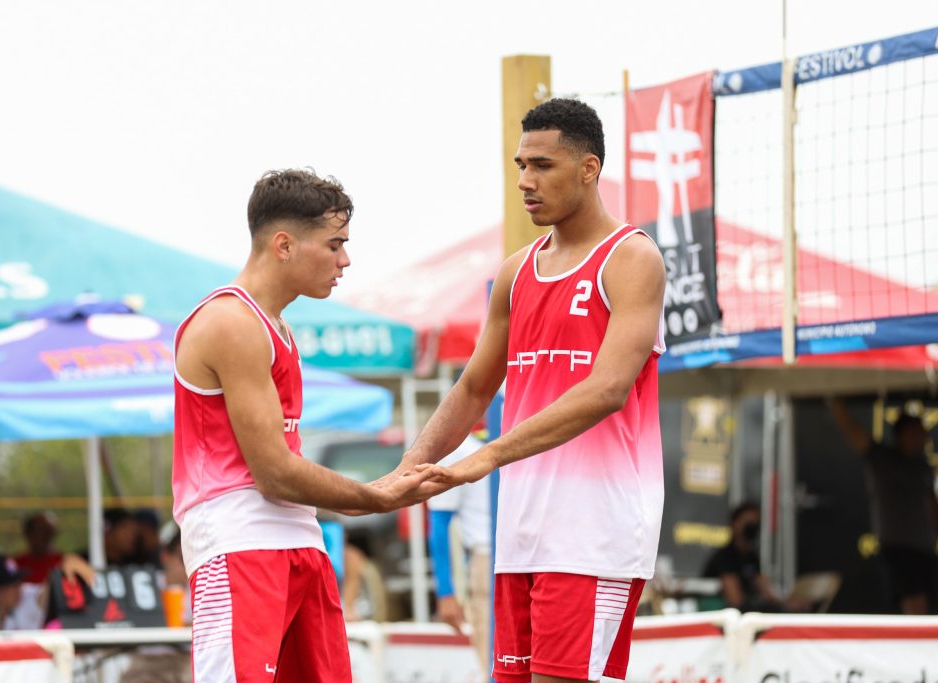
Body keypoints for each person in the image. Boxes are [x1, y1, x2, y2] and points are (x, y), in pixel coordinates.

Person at [388, 98, 667, 683]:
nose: (525, 181)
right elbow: (471, 390)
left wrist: (485, 457)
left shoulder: (631, 258)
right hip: (520, 535)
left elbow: (607, 390)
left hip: (595, 533)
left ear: (589, 169)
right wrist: (407, 471)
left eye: (541, 165)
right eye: (520, 165)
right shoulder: (517, 270)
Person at [172, 169, 438, 682]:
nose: (345, 259)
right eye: (334, 244)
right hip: (239, 544)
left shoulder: (276, 326)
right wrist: (374, 496)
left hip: (297, 537)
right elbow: (273, 472)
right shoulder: (231, 322)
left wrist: (372, 494)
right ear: (284, 245)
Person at [829, 398, 938, 614]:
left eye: (922, 432)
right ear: (902, 435)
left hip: (923, 546)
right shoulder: (883, 459)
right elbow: (855, 435)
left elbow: (931, 502)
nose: (922, 438)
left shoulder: (921, 466)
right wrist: (836, 402)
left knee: (925, 604)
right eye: (916, 432)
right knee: (913, 604)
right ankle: (913, 646)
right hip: (900, 547)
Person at [427, 433, 491, 672]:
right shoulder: (460, 449)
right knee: (496, 661)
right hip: (488, 558)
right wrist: (446, 592)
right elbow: (439, 525)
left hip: (535, 557)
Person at [702, 503, 807, 612]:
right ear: (735, 523)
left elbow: (766, 591)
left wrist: (788, 604)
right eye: (747, 521)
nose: (752, 525)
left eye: (755, 522)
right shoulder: (725, 557)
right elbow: (736, 601)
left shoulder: (751, 557)